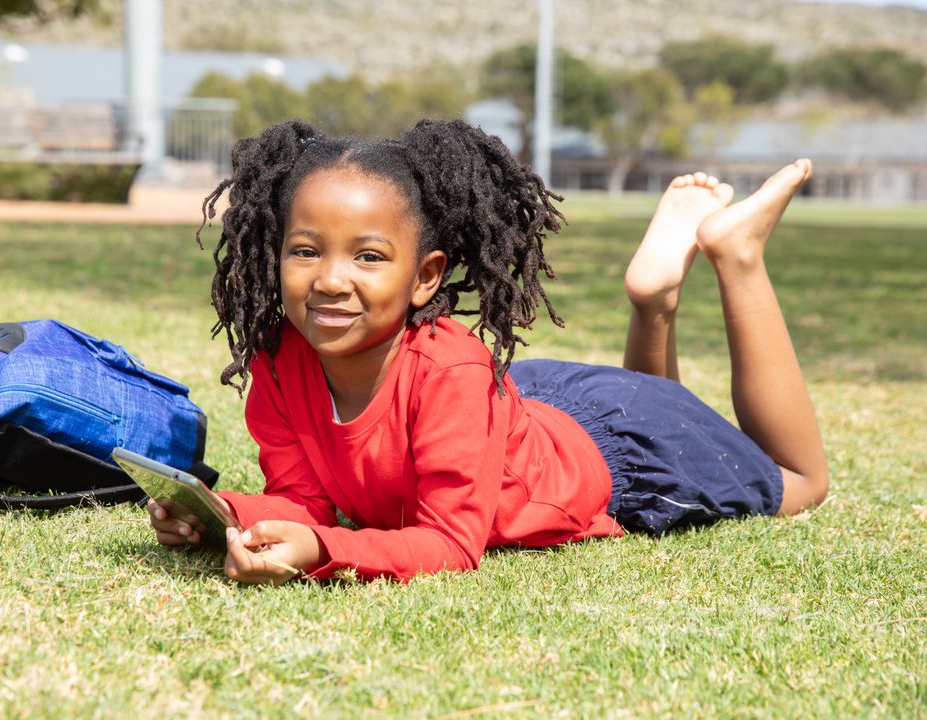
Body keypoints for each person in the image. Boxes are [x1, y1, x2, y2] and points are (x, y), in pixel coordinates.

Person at [148, 119, 829, 585]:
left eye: (369, 256)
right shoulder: (278, 360)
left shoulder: (450, 369)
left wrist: (325, 551)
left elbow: (451, 543)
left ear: (425, 277)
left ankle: (736, 258)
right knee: (664, 402)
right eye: (305, 251)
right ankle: (653, 300)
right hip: (528, 407)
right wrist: (226, 514)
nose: (330, 278)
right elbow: (305, 500)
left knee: (801, 482)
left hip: (616, 451)